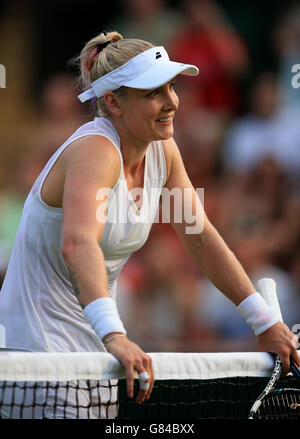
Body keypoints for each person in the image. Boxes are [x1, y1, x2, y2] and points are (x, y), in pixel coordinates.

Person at [0, 31, 298, 419]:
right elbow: (78, 244)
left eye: (171, 87)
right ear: (112, 102)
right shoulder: (94, 151)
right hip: (36, 355)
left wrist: (264, 321)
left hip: (96, 355)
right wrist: (116, 334)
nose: (172, 101)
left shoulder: (162, 149)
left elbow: (199, 235)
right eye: (152, 93)